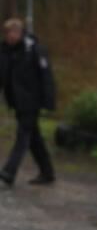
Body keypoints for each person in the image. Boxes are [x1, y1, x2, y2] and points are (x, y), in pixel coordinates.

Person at [0, 17, 56, 186]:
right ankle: (47, 173)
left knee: (23, 136)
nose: (9, 36)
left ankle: (9, 171)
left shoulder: (35, 50)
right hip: (17, 101)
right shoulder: (5, 51)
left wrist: (48, 102)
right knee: (34, 138)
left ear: (19, 32)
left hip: (32, 101)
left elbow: (46, 77)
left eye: (12, 32)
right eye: (7, 33)